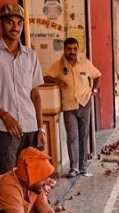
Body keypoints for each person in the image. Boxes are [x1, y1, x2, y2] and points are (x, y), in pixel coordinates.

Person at [0, 3, 46, 174]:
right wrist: (5, 116)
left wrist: (40, 128)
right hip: (4, 129)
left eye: (19, 23)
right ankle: (11, 203)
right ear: (1, 23)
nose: (15, 27)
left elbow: (35, 95)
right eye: (10, 22)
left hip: (30, 127)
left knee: (32, 177)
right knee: (9, 178)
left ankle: (28, 203)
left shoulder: (31, 56)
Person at [44, 37, 101, 178]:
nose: (72, 52)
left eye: (75, 49)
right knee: (72, 137)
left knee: (83, 136)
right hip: (68, 106)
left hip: (85, 103)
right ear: (64, 50)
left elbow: (97, 75)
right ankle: (73, 168)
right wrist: (56, 79)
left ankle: (83, 167)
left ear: (77, 49)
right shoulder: (58, 65)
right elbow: (45, 77)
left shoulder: (85, 63)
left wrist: (94, 90)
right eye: (69, 49)